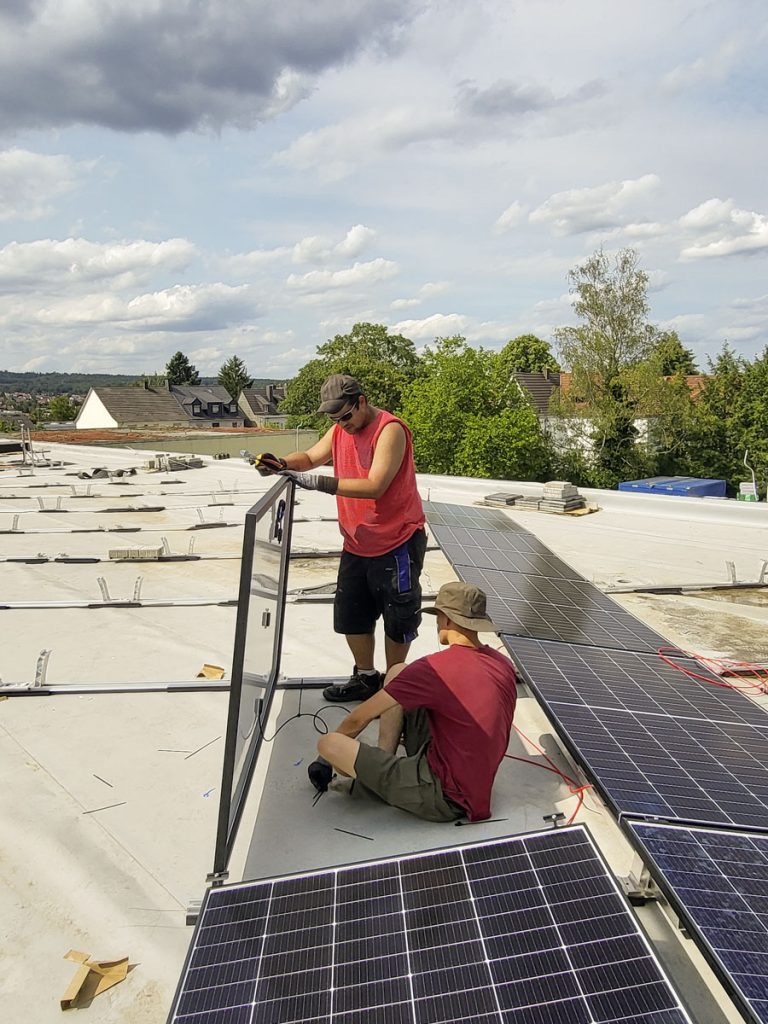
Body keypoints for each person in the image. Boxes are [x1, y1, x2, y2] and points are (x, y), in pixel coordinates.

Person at [253, 374, 426, 703]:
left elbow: (376, 485)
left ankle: (394, 686)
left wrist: (317, 483)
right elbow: (311, 457)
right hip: (357, 542)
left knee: (398, 617)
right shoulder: (339, 428)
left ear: (361, 401)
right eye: (334, 419)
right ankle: (365, 678)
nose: (342, 424)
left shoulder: (390, 430)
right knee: (352, 614)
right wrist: (283, 463)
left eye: (346, 416)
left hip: (397, 542)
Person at [308, 582, 518, 823]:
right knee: (397, 671)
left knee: (330, 744)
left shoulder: (434, 669)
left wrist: (323, 761)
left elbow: (359, 718)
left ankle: (380, 779)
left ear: (447, 620)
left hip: (445, 797)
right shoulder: (502, 663)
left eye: (438, 617)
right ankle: (384, 758)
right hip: (475, 778)